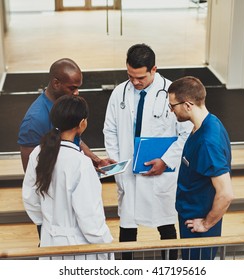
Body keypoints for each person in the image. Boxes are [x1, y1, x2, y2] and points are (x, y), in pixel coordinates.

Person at [103, 43, 193, 259]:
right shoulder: (119, 93)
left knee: (166, 227)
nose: (134, 82)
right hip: (128, 174)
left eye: (140, 77)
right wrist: (117, 164)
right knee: (127, 229)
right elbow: (110, 129)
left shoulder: (173, 93)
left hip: (159, 174)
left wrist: (166, 160)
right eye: (130, 75)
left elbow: (186, 134)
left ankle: (170, 268)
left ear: (154, 69)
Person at [22, 95, 113, 260]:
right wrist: (106, 244)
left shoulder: (38, 153)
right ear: (82, 123)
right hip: (79, 248)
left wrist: (48, 224)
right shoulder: (81, 163)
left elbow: (30, 198)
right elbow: (90, 217)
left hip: (49, 241)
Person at [168, 76, 234, 260]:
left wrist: (205, 224)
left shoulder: (207, 141)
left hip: (197, 225)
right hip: (190, 216)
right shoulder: (207, 123)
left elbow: (226, 193)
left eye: (172, 106)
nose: (171, 110)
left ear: (187, 105)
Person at [18, 57, 114, 172]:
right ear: (56, 83)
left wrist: (96, 160)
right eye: (72, 88)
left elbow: (74, 139)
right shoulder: (34, 120)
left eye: (78, 87)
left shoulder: (65, 106)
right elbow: (31, 173)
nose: (77, 92)